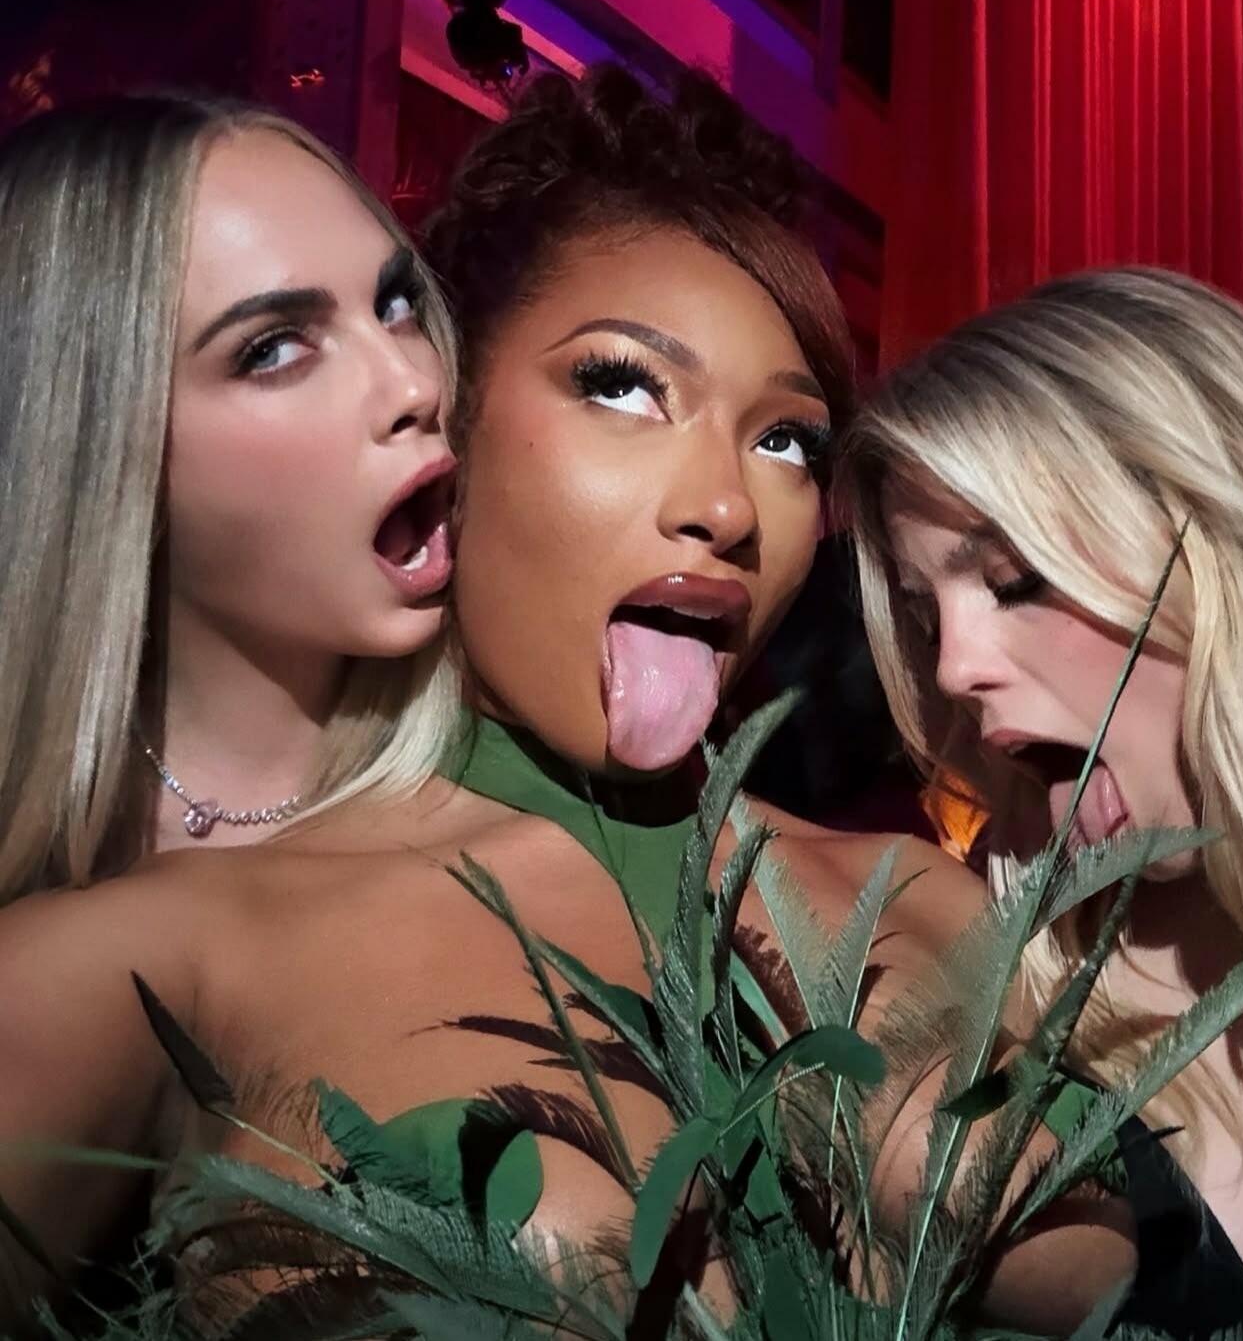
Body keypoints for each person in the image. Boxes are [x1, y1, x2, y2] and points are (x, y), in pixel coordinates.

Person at [1, 70, 1120, 1334]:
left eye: (788, 440)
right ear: (463, 437)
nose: (728, 506)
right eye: (623, 384)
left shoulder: (930, 896)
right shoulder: (152, 956)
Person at [847, 265, 1243, 1326]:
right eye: (926, 612)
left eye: (1015, 579)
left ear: (1230, 548)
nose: (953, 666)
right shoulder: (982, 1046)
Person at [0, 97, 460, 901]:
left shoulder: (535, 793)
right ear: (93, 448)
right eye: (273, 349)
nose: (414, 384)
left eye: (395, 304)